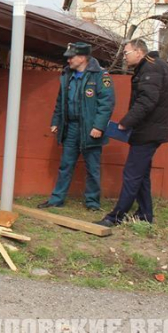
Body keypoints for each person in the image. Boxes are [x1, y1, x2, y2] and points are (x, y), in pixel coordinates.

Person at [97, 39, 168, 226]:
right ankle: (145, 215)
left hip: (147, 131)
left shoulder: (151, 68)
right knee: (141, 174)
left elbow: (147, 101)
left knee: (132, 173)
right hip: (148, 130)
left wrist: (125, 123)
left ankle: (116, 216)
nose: (124, 56)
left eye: (126, 52)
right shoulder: (152, 67)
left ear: (139, 52)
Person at [38, 42, 115, 211]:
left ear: (82, 57)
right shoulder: (67, 75)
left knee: (92, 167)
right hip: (71, 127)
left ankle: (92, 203)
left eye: (71, 57)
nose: (68, 61)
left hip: (91, 128)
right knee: (66, 164)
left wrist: (99, 127)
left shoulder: (100, 76)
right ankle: (56, 199)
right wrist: (55, 121)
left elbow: (106, 104)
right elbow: (61, 101)